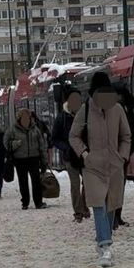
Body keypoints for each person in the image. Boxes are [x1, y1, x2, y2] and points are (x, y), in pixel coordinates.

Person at [70, 72, 132, 267]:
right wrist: (85, 154)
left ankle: (102, 240)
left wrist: (122, 156)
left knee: (112, 205)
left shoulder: (118, 109)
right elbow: (74, 136)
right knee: (99, 205)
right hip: (93, 167)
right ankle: (106, 247)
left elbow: (126, 135)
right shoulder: (85, 110)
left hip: (114, 165)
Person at [52, 88, 88, 222]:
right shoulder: (62, 117)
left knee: (88, 183)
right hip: (70, 157)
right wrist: (66, 147)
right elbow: (54, 138)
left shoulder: (86, 114)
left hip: (85, 154)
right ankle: (78, 212)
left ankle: (84, 205)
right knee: (75, 184)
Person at [6, 109, 48, 209]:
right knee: (23, 182)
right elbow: (6, 143)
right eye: (23, 117)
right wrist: (15, 144)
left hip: (34, 158)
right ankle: (25, 202)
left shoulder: (35, 129)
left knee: (36, 182)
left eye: (28, 117)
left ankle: (38, 202)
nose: (26, 119)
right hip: (20, 160)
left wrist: (44, 160)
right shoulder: (12, 129)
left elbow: (41, 145)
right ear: (19, 118)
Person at [112, 83, 134, 229]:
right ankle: (114, 215)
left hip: (119, 156)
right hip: (115, 156)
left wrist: (126, 152)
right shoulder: (125, 110)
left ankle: (116, 215)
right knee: (116, 187)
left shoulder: (125, 111)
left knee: (116, 187)